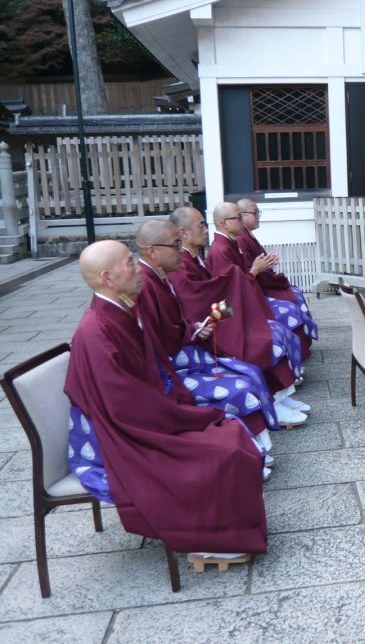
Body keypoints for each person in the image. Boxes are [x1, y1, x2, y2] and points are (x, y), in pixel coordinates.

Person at [64, 240, 267, 570]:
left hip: (147, 416)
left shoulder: (123, 309)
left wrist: (182, 406)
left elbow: (152, 372)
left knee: (227, 433)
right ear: (107, 277)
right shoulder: (97, 331)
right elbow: (124, 404)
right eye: (129, 262)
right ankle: (210, 539)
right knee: (223, 448)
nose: (137, 265)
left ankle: (226, 531)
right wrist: (184, 416)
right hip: (125, 434)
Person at [134, 221, 298, 463]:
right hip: (174, 363)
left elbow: (182, 313)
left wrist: (196, 328)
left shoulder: (163, 274)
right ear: (152, 251)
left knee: (266, 344)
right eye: (175, 245)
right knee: (246, 372)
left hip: (193, 335)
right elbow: (175, 319)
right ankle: (250, 452)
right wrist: (195, 330)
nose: (180, 250)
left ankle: (270, 419)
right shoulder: (147, 283)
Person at [167, 206, 310, 423]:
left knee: (273, 330)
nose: (207, 230)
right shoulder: (187, 261)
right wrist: (247, 274)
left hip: (219, 315)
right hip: (209, 327)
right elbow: (197, 300)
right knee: (263, 339)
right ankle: (274, 401)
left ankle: (281, 395)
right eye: (201, 226)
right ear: (183, 233)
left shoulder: (195, 257)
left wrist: (243, 276)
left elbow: (213, 289)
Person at [207, 202, 315, 360]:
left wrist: (260, 268)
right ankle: (292, 363)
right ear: (224, 223)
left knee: (292, 301)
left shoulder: (231, 242)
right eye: (238, 218)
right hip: (237, 311)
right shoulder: (220, 250)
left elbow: (240, 278)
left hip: (249, 298)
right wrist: (255, 270)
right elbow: (229, 291)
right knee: (285, 315)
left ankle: (297, 358)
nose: (242, 221)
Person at [236, 198, 318, 358]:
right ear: (242, 216)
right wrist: (265, 271)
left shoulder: (248, 236)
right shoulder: (241, 239)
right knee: (291, 303)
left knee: (296, 292)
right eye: (255, 213)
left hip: (263, 283)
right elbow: (247, 271)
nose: (258, 216)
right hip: (258, 291)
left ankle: (303, 345)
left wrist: (267, 267)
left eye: (258, 212)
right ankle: (297, 352)